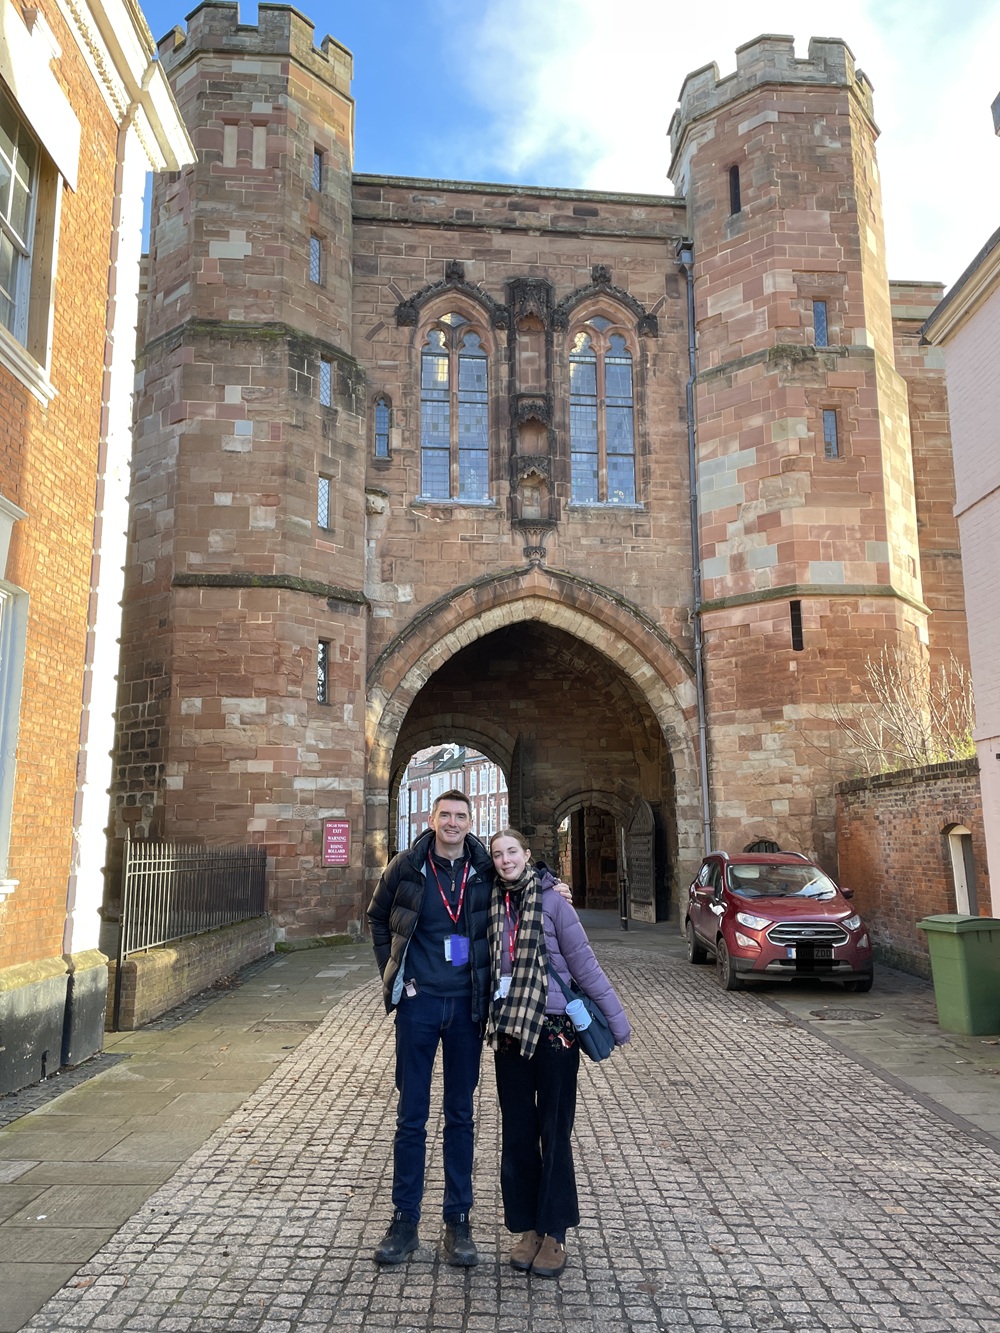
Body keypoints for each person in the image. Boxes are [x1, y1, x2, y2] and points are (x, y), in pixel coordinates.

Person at [487, 827, 631, 1279]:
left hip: (554, 1033)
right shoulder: (489, 899)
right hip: (509, 1032)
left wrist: (617, 1021)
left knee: (554, 1129)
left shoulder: (554, 902)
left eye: (513, 852)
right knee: (517, 1133)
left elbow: (584, 963)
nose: (506, 860)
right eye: (497, 854)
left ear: (527, 855)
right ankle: (527, 1227)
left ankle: (555, 1231)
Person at [367, 789, 491, 1267]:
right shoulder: (407, 865)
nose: (453, 823)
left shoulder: (483, 869)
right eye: (446, 815)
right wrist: (393, 973)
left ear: (469, 820)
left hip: (466, 1007)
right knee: (411, 1117)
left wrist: (553, 885)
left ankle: (457, 1221)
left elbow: (521, 874)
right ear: (433, 818)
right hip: (419, 1007)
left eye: (461, 816)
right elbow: (377, 917)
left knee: (461, 1115)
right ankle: (404, 1221)